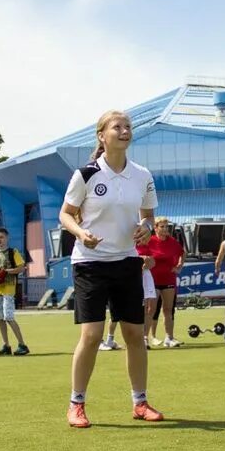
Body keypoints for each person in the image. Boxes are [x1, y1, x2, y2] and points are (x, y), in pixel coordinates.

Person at [59, 110, 163, 428]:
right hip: (89, 263)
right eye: (117, 126)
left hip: (127, 261)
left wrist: (147, 228)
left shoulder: (142, 175)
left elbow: (148, 216)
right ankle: (76, 404)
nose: (124, 130)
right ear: (102, 136)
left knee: (134, 334)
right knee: (91, 335)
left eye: (128, 126)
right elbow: (65, 215)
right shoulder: (86, 174)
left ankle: (140, 402)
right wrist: (80, 233)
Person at [142, 217, 185, 347]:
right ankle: (144, 338)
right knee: (151, 309)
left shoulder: (172, 242)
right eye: (162, 226)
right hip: (152, 281)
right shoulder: (149, 241)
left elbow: (183, 253)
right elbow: (141, 255)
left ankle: (169, 338)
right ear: (155, 228)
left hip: (169, 280)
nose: (165, 229)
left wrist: (179, 266)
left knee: (168, 309)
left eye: (167, 226)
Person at [0, 228, 29, 356]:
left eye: (2, 237)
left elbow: (21, 268)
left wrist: (6, 271)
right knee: (0, 318)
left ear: (7, 238)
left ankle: (22, 344)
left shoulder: (13, 252)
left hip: (8, 290)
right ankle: (6, 345)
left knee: (9, 317)